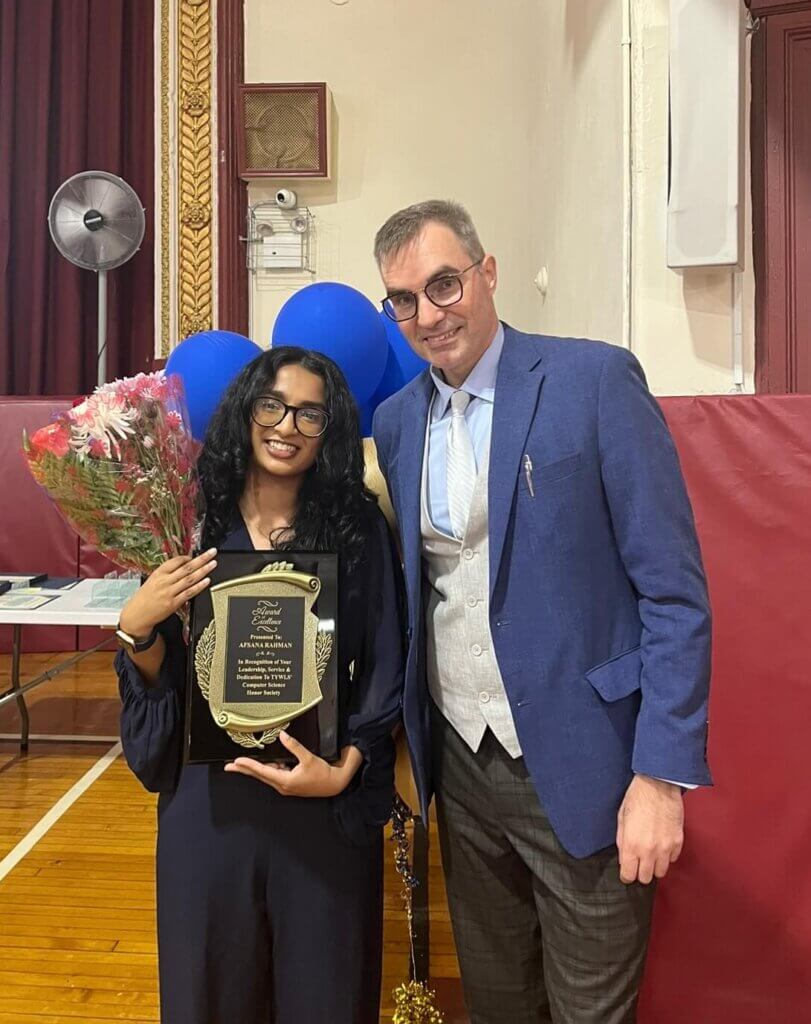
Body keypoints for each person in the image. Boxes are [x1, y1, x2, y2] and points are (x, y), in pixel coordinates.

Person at [371, 200, 712, 1024]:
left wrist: (659, 777)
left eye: (442, 284)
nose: (428, 314)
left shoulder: (591, 380)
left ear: (486, 275)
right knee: (497, 1004)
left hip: (586, 766)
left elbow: (672, 593)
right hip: (462, 768)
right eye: (404, 300)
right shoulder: (395, 422)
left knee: (590, 1011)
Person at [115, 346, 405, 1024]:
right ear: (246, 410)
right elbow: (164, 667)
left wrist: (346, 769)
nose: (287, 426)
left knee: (325, 995)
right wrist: (136, 632)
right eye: (272, 405)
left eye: (310, 413)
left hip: (318, 803)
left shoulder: (356, 526)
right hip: (209, 804)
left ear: (330, 429)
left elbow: (387, 661)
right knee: (208, 993)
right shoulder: (187, 522)